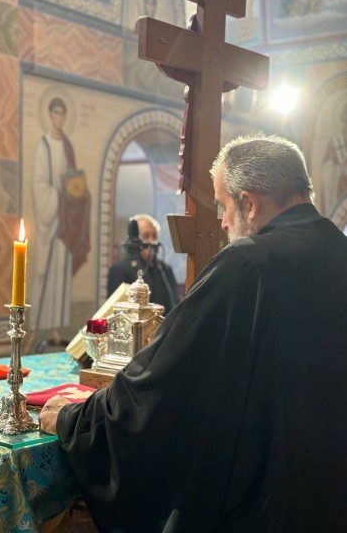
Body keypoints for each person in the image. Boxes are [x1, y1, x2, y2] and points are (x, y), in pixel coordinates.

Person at [39, 134, 347, 533]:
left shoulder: (246, 264)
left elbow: (166, 383)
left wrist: (78, 421)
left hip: (263, 505)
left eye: (223, 205)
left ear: (250, 203)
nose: (222, 222)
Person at [31, 97, 90, 333]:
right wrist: (61, 196)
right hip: (52, 218)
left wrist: (80, 195)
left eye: (62, 113)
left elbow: (72, 179)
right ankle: (36, 327)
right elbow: (38, 184)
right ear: (49, 115)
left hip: (66, 219)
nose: (59, 117)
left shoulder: (67, 145)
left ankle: (56, 329)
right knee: (45, 271)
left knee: (61, 272)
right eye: (55, 112)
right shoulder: (43, 146)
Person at [107, 213, 180, 315]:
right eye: (146, 236)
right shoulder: (120, 269)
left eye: (154, 236)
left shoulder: (165, 269)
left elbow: (174, 301)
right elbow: (116, 310)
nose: (152, 241)